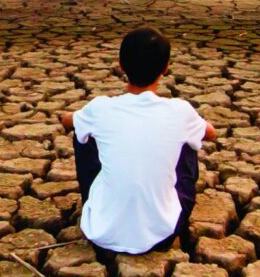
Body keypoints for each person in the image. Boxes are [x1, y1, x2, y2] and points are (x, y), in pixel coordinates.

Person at [60, 27, 215, 255]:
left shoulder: (101, 108)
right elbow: (210, 132)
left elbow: (67, 121)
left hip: (101, 232)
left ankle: (97, 202)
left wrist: (88, 121)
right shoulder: (180, 111)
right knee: (189, 140)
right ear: (166, 68)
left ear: (121, 66)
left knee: (82, 133)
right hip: (164, 233)